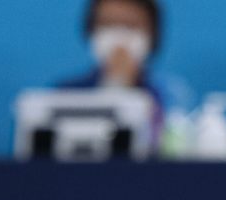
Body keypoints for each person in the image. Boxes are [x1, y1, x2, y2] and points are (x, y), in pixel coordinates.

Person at [58, 0, 193, 140]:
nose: (119, 38)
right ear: (90, 31)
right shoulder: (67, 93)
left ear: (153, 35)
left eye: (130, 25)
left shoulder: (169, 94)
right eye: (108, 24)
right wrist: (114, 83)